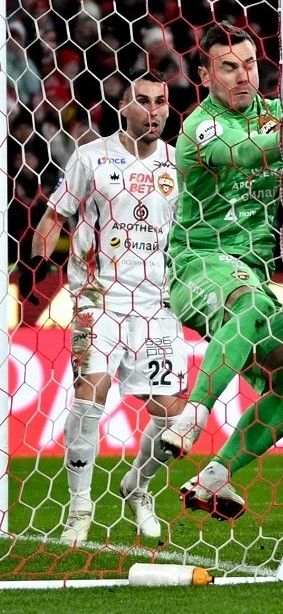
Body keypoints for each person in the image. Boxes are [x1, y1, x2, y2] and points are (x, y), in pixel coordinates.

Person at [159, 21, 283, 520]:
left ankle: (214, 477)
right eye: (228, 67)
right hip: (199, 266)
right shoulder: (200, 126)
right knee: (248, 304)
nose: (243, 76)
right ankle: (193, 415)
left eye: (250, 65)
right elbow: (242, 153)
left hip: (257, 273)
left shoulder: (277, 113)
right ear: (205, 75)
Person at [19, 70, 186, 543]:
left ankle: (138, 488)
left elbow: (189, 234)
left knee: (171, 415)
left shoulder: (178, 164)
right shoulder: (91, 157)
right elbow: (55, 215)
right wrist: (33, 270)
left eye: (160, 102)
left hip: (158, 303)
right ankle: (79, 507)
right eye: (143, 101)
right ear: (123, 107)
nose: (153, 111)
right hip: (99, 297)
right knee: (90, 393)